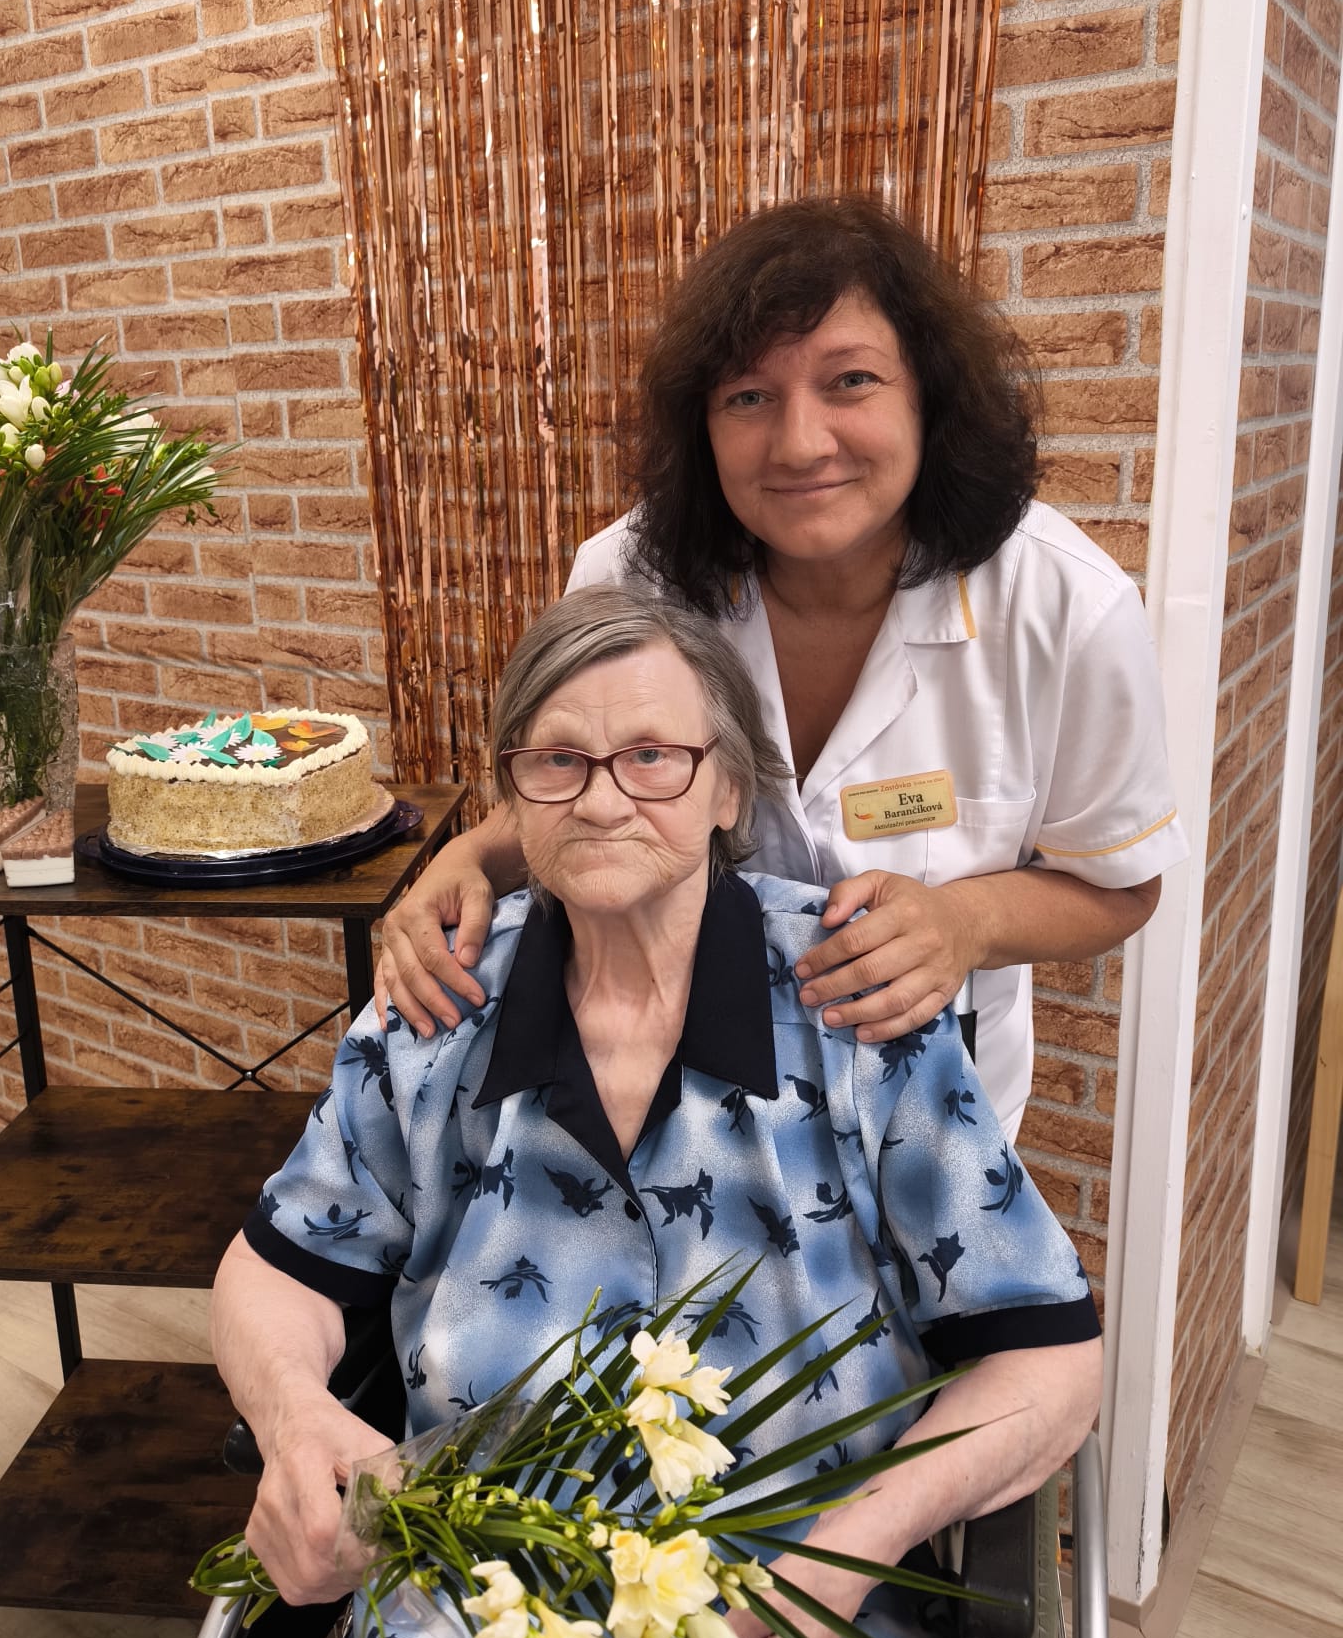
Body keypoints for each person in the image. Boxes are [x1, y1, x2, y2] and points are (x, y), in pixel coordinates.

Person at [213, 589, 1102, 1638]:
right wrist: (296, 1418)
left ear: (729, 787)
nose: (599, 798)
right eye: (558, 760)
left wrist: (852, 1550)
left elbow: (1049, 1358)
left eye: (651, 756)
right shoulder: (438, 1009)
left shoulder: (857, 1004)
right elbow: (276, 1271)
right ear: (514, 793)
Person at [375, 196, 1187, 1141]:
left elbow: (1121, 885)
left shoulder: (1064, 605)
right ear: (703, 425)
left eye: (851, 381)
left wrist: (965, 922)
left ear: (929, 395)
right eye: (749, 397)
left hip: (928, 1116)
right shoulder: (628, 577)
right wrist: (471, 858)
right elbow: (597, 788)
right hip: (678, 1100)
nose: (801, 443)